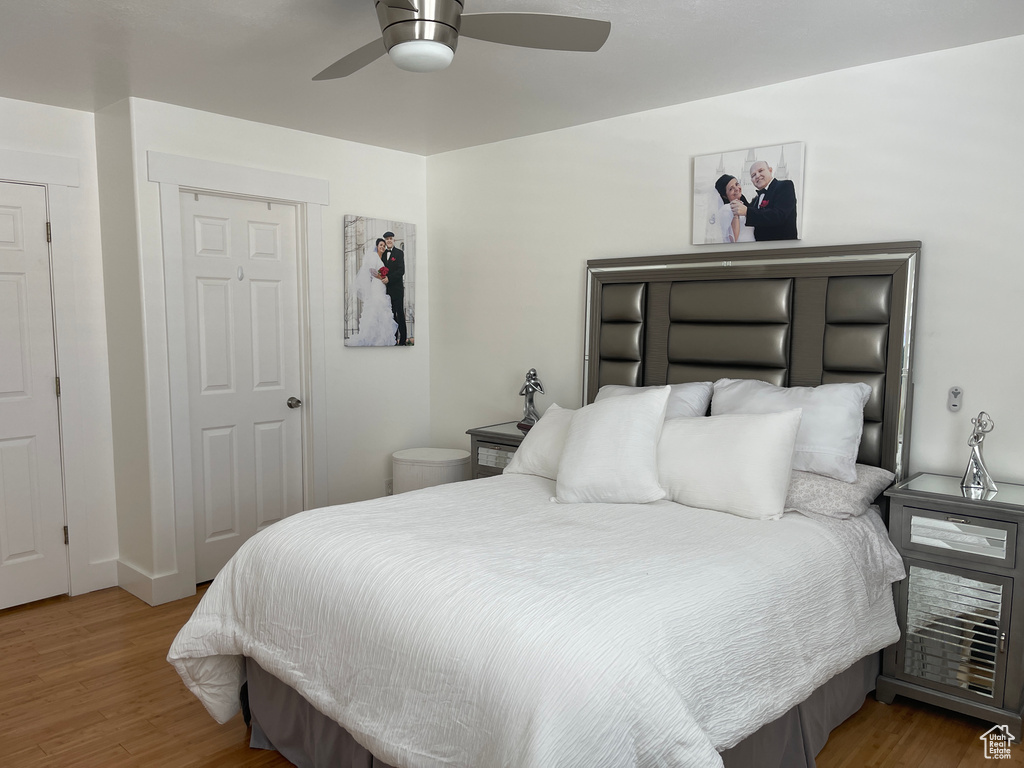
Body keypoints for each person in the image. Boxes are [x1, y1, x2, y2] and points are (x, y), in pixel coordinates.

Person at [729, 160, 798, 241]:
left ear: (770, 170)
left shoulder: (785, 186)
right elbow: (750, 209)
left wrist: (747, 212)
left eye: (760, 171)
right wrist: (738, 194)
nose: (757, 176)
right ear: (752, 180)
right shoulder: (756, 200)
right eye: (753, 175)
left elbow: (779, 215)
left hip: (782, 248)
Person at [348, 238, 398, 347]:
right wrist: (382, 277)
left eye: (384, 246)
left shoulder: (381, 259)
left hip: (381, 286)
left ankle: (381, 337)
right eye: (381, 245)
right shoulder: (374, 256)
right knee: (376, 307)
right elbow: (371, 271)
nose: (383, 247)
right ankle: (372, 337)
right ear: (376, 246)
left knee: (381, 309)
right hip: (376, 285)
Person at [380, 230, 407, 346]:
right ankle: (393, 339)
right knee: (391, 316)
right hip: (386, 291)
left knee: (400, 314)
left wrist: (389, 278)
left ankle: (403, 340)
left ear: (393, 240)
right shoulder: (382, 254)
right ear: (385, 241)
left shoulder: (399, 253)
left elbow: (401, 271)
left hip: (397, 290)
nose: (389, 240)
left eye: (391, 238)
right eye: (387, 239)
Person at [714, 174, 755, 243]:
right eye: (731, 189)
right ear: (724, 196)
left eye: (737, 184)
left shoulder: (744, 206)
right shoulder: (726, 209)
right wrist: (736, 215)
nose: (736, 189)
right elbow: (733, 239)